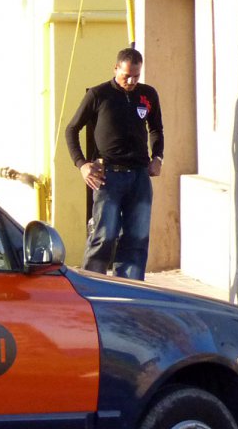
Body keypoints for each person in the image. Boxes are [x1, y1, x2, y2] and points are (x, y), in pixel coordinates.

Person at [64, 46, 164, 280]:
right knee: (104, 235)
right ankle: (91, 287)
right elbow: (71, 129)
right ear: (115, 69)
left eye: (136, 76)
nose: (130, 80)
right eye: (126, 75)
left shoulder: (147, 95)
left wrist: (157, 157)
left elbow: (156, 128)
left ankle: (129, 289)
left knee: (137, 237)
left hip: (139, 176)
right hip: (108, 176)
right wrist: (82, 164)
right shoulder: (99, 95)